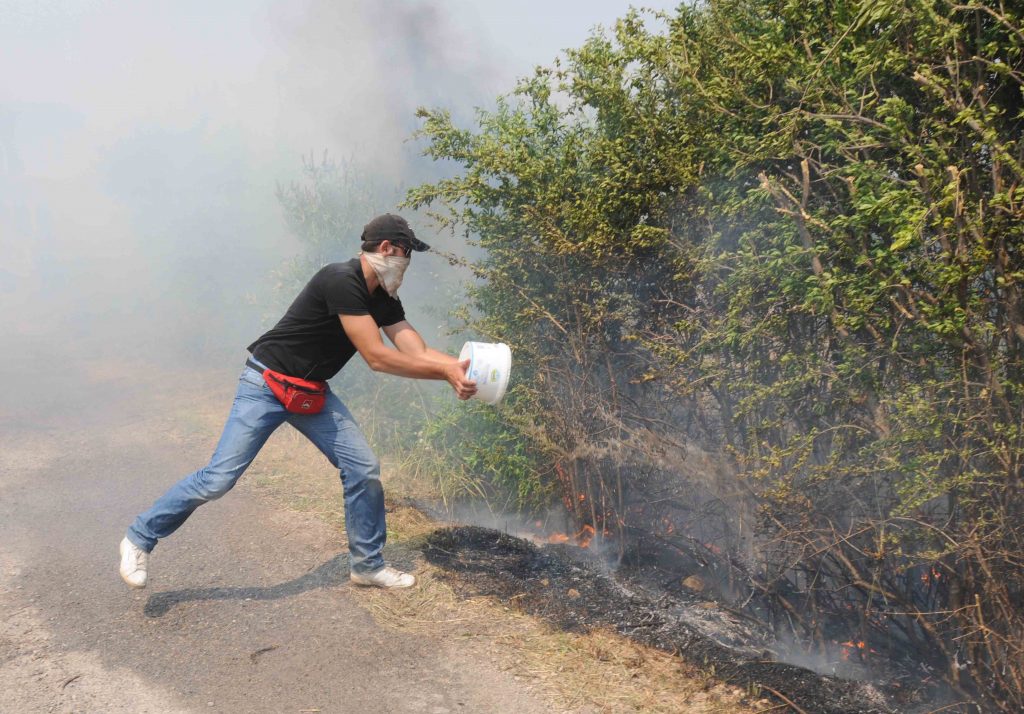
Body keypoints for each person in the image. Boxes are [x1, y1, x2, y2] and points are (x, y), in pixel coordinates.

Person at [119, 214, 476, 590]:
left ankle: (367, 565)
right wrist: (445, 374)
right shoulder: (341, 279)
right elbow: (377, 357)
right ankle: (139, 538)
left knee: (362, 467)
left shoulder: (383, 298)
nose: (407, 262)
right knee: (218, 480)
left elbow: (414, 348)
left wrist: (458, 367)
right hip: (266, 384)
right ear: (387, 249)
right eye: (406, 253)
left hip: (309, 393)